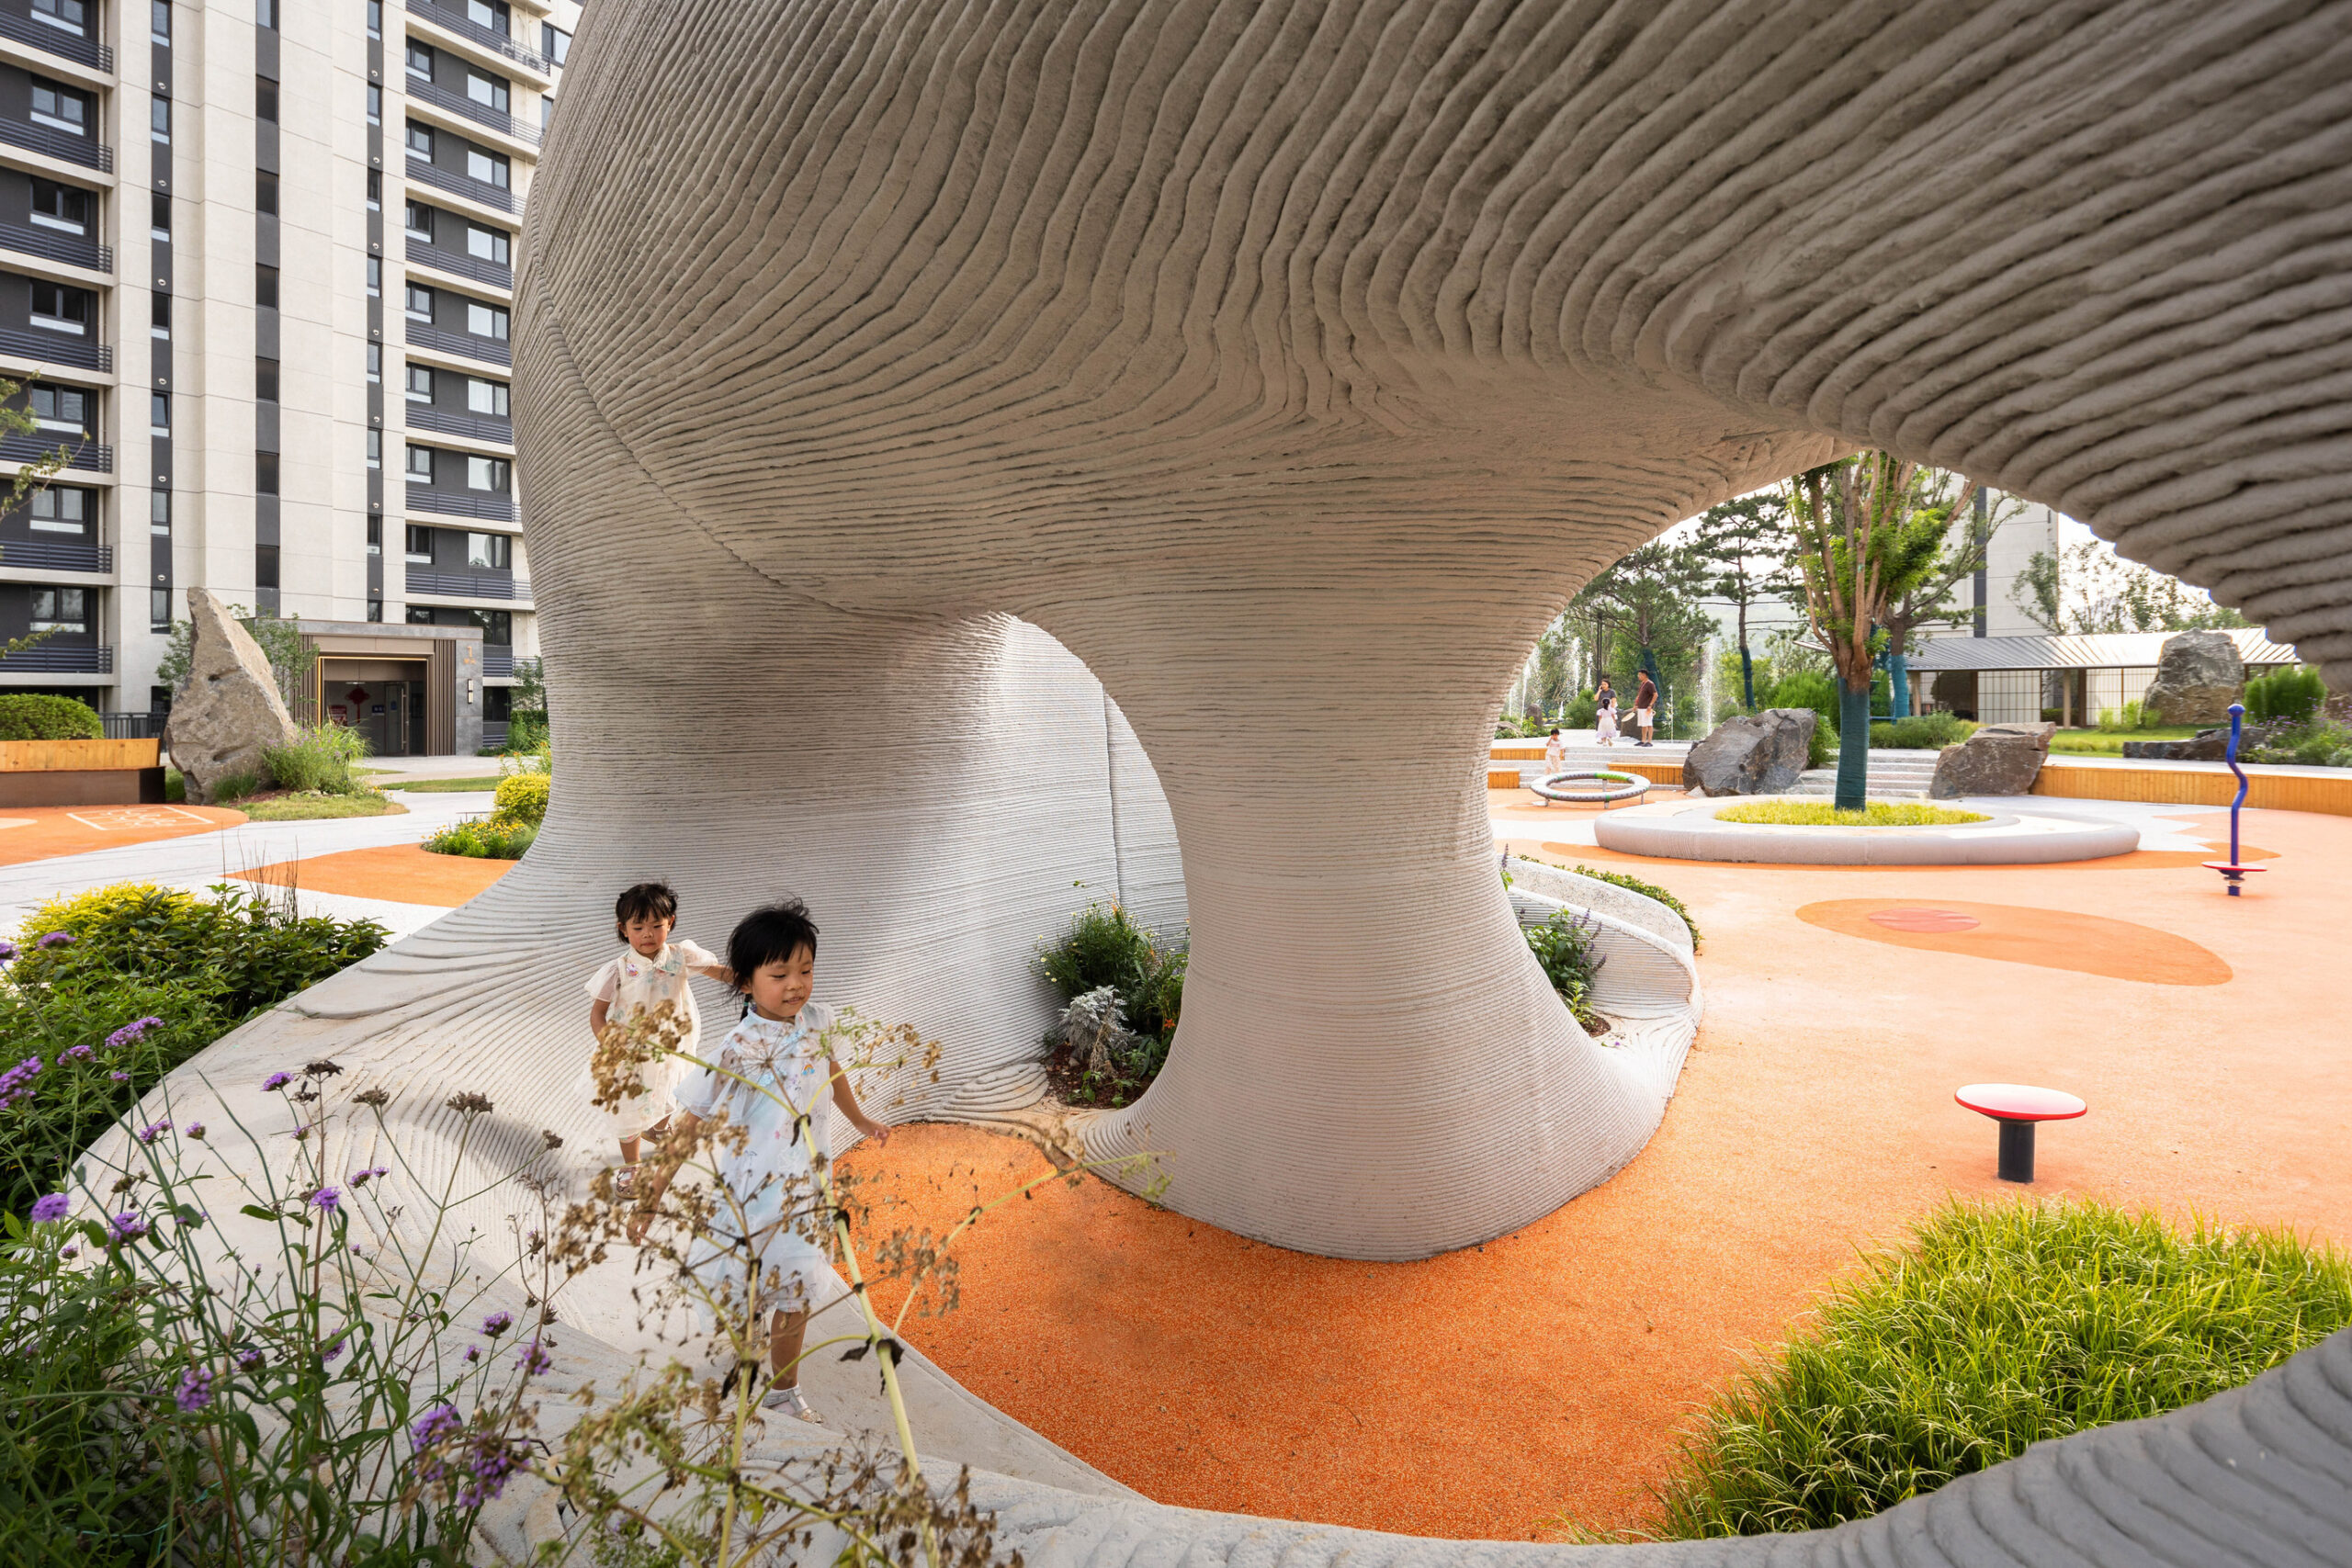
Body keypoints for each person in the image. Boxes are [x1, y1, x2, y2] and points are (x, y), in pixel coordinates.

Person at [628, 898, 892, 1426]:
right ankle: (745, 1358)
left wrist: (860, 1120)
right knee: (749, 1294)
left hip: (808, 1191)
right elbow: (689, 1127)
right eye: (780, 974)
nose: (796, 984)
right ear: (746, 982)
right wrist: (650, 1199)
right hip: (751, 1195)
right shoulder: (737, 1047)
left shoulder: (817, 1019)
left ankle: (781, 1390)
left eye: (806, 970)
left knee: (795, 1295)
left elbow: (833, 1069)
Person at [584, 882, 730, 1169]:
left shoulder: (681, 956)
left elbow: (722, 974)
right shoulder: (620, 970)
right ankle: (631, 1166)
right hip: (631, 1051)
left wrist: (757, 981)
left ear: (670, 923)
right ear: (623, 929)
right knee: (629, 1106)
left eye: (656, 925)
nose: (648, 934)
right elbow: (598, 1014)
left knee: (670, 1086)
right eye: (638, 928)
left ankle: (659, 1129)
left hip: (673, 1042)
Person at [1634, 671, 1658, 747]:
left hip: (1647, 708)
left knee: (1649, 724)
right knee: (1643, 725)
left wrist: (1650, 705)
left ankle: (1649, 741)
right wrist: (1636, 705)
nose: (1638, 676)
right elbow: (1639, 696)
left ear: (1644, 675)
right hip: (1641, 707)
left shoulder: (1650, 684)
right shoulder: (1642, 684)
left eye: (1639, 675)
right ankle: (1643, 740)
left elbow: (1655, 695)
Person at [1594, 679, 1618, 746]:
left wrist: (1612, 709)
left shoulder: (1612, 692)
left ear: (1608, 685)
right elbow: (1595, 699)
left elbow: (1614, 701)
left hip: (1608, 710)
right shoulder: (1600, 691)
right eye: (1602, 684)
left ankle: (1607, 738)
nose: (1603, 685)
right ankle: (1602, 739)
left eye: (1605, 684)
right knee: (1601, 725)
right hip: (1601, 709)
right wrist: (1599, 691)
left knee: (1609, 726)